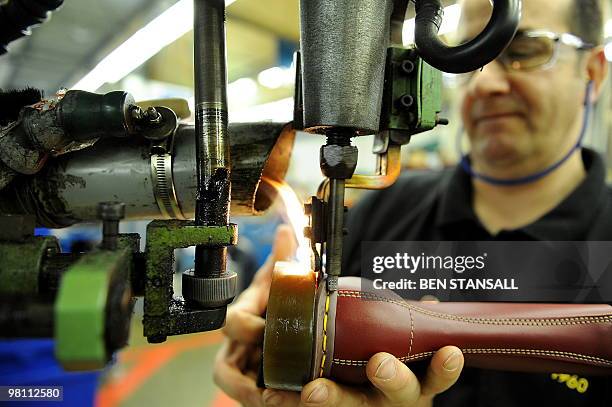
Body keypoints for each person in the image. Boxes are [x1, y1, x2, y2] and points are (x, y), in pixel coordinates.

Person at [214, 0, 611, 405]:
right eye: (469, 60)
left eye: (524, 52)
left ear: (593, 72)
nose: (486, 84)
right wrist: (259, 344)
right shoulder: (382, 212)